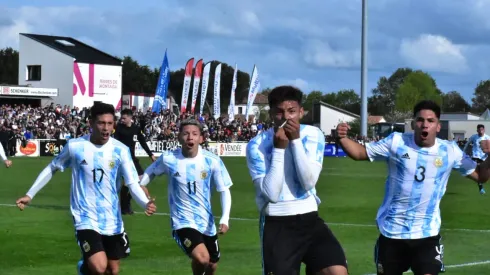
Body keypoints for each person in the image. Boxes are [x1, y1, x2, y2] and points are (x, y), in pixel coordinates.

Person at [336, 100, 490, 275]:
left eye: (431, 121)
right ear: (413, 124)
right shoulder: (396, 142)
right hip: (392, 232)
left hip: (427, 234)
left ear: (438, 126)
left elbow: (481, 176)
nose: (425, 125)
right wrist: (342, 138)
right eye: (420, 120)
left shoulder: (450, 151)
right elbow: (359, 153)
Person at [15, 102, 157, 275]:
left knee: (112, 270)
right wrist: (30, 194)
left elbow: (133, 183)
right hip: (84, 216)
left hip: (112, 218)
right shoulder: (76, 147)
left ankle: (85, 267)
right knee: (99, 266)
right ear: (91, 123)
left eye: (110, 124)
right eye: (101, 123)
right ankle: (84, 267)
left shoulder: (121, 150)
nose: (106, 128)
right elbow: (52, 167)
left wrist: (144, 203)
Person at [245, 85, 348, 275]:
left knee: (336, 271)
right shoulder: (257, 145)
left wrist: (295, 141)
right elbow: (272, 194)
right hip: (277, 223)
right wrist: (278, 149)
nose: (286, 117)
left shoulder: (313, 135)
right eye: (279, 112)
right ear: (270, 115)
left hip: (309, 219)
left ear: (301, 112)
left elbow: (308, 183)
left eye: (291, 111)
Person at [139, 118, 232, 275]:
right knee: (202, 258)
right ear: (179, 137)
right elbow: (151, 171)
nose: (190, 137)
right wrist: (141, 185)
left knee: (211, 265)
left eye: (195, 134)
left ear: (201, 138)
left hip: (206, 222)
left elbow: (224, 190)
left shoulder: (212, 161)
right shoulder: (169, 159)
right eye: (186, 133)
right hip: (182, 221)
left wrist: (225, 218)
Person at [113, 108, 156, 215]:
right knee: (127, 183)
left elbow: (142, 142)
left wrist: (150, 154)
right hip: (121, 160)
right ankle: (124, 206)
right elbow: (114, 144)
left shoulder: (136, 129)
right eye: (121, 118)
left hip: (133, 159)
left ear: (130, 118)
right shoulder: (118, 128)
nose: (122, 120)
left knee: (140, 181)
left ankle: (126, 203)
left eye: (124, 118)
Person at [462, 124, 490, 194]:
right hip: (475, 157)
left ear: (484, 130)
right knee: (478, 173)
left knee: (482, 173)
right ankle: (481, 188)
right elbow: (467, 144)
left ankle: (480, 185)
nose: (481, 131)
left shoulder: (487, 138)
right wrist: (463, 152)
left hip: (484, 157)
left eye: (482, 130)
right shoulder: (474, 137)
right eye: (479, 130)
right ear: (477, 130)